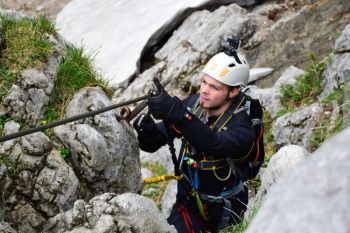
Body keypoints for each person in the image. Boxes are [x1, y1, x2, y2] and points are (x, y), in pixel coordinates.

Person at [133, 48, 255, 233]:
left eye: (214, 87)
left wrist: (177, 113)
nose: (204, 91)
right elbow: (158, 139)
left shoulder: (243, 125)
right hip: (188, 204)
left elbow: (215, 143)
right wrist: (147, 132)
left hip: (224, 212)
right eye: (204, 82)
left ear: (233, 91)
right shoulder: (197, 104)